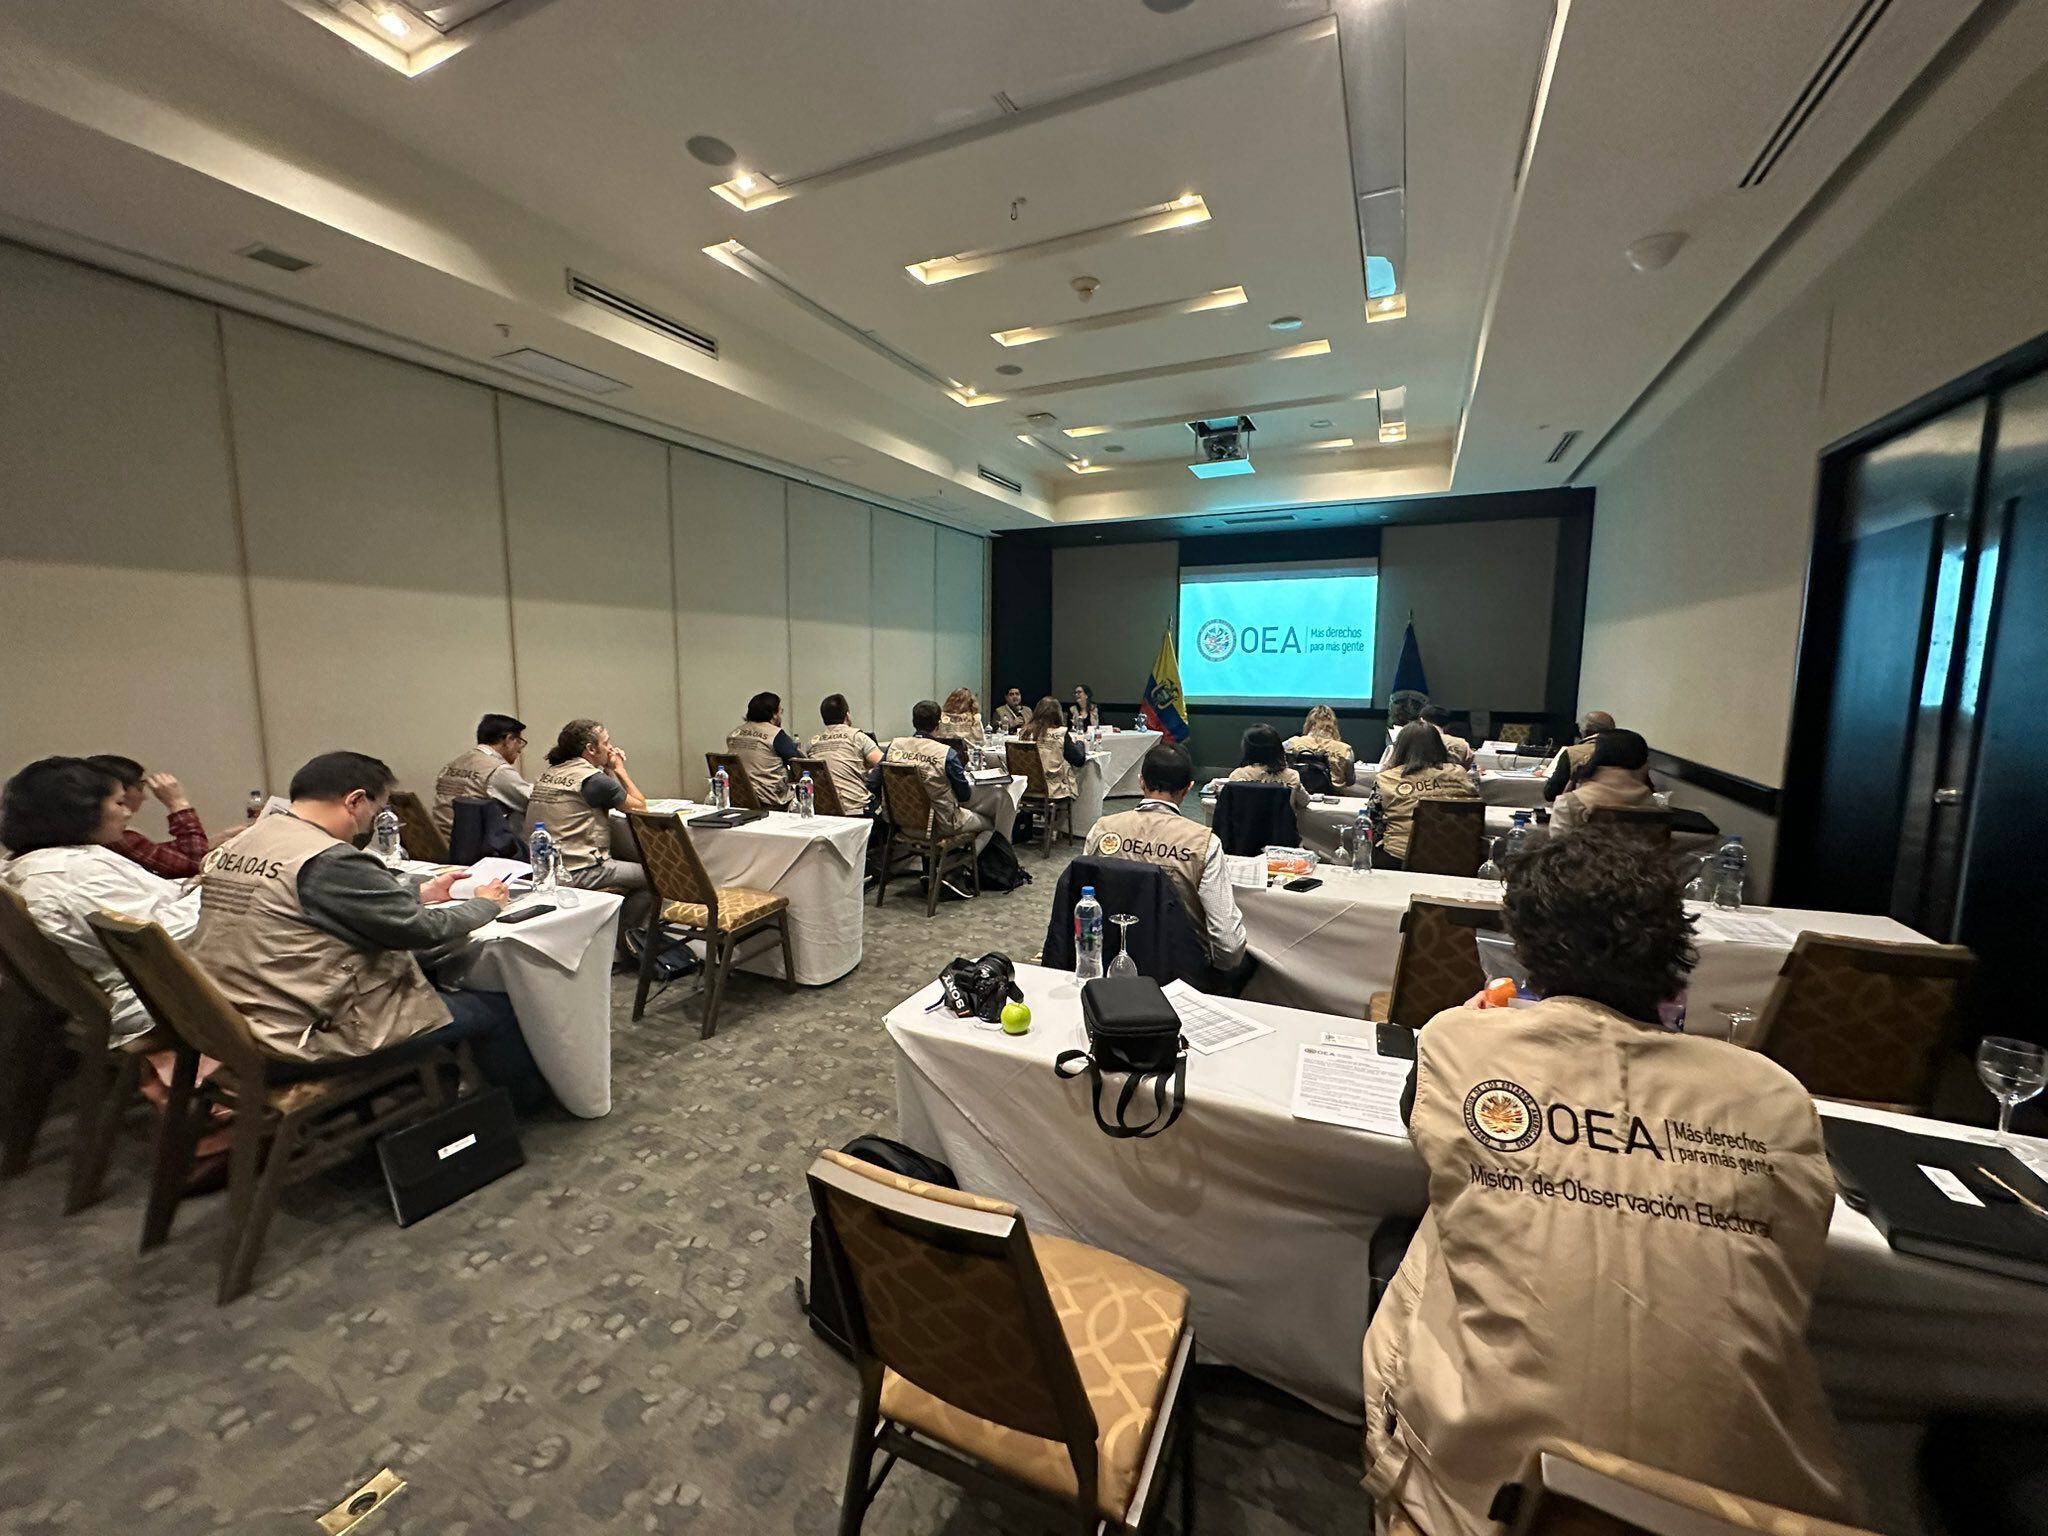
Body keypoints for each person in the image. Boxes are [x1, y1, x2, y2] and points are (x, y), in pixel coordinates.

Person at [1361, 830, 1857, 1536]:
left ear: (1524, 946)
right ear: (1678, 945)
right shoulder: (1772, 1092)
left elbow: (1421, 1118)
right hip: (1751, 1514)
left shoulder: (1459, 1040)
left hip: (1488, 1502)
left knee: (1421, 1243)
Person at [190, 751, 547, 1109]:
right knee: (497, 1007)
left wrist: (419, 892)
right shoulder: (327, 857)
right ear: (355, 800)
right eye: (374, 815)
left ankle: (433, 1089)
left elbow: (318, 902)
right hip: (301, 1038)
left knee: (429, 978)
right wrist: (486, 904)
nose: (367, 828)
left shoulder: (245, 842)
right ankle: (527, 1111)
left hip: (232, 1024)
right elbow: (423, 930)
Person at [1, 757, 203, 1045]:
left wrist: (190, 887)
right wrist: (214, 893)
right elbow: (155, 940)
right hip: (152, 995)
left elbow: (142, 900)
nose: (127, 813)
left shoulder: (47, 861)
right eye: (119, 804)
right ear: (82, 810)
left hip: (131, 981)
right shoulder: (71, 874)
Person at [1081, 743, 1247, 970]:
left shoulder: (1102, 830)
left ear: (1141, 781)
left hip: (1107, 964)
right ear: (1188, 788)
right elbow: (1228, 946)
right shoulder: (1204, 843)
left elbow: (1083, 904)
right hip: (1179, 973)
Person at [525, 720, 652, 935]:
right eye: (607, 743)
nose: (611, 748)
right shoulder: (592, 780)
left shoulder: (551, 772)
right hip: (581, 870)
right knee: (655, 878)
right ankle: (625, 940)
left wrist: (606, 770)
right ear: (591, 749)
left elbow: (605, 795)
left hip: (542, 867)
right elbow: (640, 807)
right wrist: (619, 769)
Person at [878, 701, 991, 851]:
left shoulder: (893, 747)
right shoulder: (946, 754)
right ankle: (966, 864)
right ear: (939, 724)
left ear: (913, 722)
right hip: (940, 826)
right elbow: (964, 795)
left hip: (901, 824)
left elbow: (873, 783)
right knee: (990, 824)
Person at [1372, 721, 1480, 868]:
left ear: (1400, 748)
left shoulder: (1386, 779)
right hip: (1458, 855)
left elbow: (1373, 823)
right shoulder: (1460, 773)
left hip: (1400, 860)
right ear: (1438, 746)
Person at [83, 755, 210, 879]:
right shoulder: (113, 838)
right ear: (118, 790)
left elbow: (159, 853)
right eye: (140, 787)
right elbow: (195, 864)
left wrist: (219, 843)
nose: (144, 797)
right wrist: (177, 803)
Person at [431, 713, 531, 839]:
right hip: (474, 848)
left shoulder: (453, 764)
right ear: (509, 739)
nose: (520, 750)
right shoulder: (497, 770)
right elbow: (534, 803)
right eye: (519, 742)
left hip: (442, 842)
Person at [1553, 728, 1661, 832]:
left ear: (1597, 755)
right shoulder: (1652, 804)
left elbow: (1558, 845)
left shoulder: (1570, 804)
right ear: (1643, 762)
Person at [806, 694, 882, 816]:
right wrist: (870, 773)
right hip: (856, 809)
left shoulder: (813, 743)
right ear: (847, 715)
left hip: (823, 810)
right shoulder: (857, 737)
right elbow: (883, 764)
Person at [726, 691, 802, 809]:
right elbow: (801, 763)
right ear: (773, 714)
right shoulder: (775, 734)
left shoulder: (735, 734)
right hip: (769, 799)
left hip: (737, 798)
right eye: (779, 711)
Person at [1018, 695, 1085, 810]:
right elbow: (1078, 760)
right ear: (1057, 714)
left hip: (1025, 788)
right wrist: (1080, 743)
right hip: (1053, 790)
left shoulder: (1024, 732)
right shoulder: (1061, 733)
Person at [1226, 725, 1310, 815]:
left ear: (1247, 749)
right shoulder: (1291, 776)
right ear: (1278, 748)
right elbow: (1304, 802)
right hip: (1281, 828)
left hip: (1244, 828)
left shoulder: (1237, 775)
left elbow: (1230, 806)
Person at [1544, 709, 1618, 801]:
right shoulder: (1632, 751)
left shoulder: (1573, 753)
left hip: (1584, 809)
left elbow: (1551, 793)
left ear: (1585, 731)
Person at [1283, 706, 1357, 788]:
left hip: (1298, 791)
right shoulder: (1345, 749)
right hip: (1334, 795)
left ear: (1308, 724)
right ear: (1333, 726)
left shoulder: (1290, 743)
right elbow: (1351, 781)